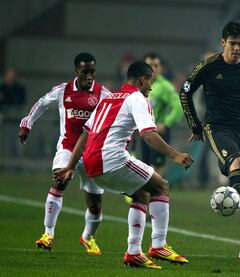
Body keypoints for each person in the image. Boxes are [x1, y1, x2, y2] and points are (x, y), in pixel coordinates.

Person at [55, 61, 193, 269]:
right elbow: (148, 134)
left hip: (92, 163)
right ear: (142, 80)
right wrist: (175, 155)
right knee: (161, 186)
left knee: (141, 193)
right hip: (111, 159)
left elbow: (84, 134)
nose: (151, 88)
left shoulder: (108, 98)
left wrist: (71, 167)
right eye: (151, 82)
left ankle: (134, 252)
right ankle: (158, 245)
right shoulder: (137, 97)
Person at [179, 20, 240, 267]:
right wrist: (195, 125)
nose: (236, 48)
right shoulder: (208, 66)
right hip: (217, 127)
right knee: (237, 163)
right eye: (232, 44)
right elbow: (185, 92)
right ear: (223, 42)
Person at [18, 53, 111, 254]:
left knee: (95, 205)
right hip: (68, 147)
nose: (89, 76)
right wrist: (27, 124)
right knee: (59, 180)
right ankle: (48, 234)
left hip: (92, 152)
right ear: (76, 71)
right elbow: (41, 104)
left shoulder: (103, 94)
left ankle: (87, 237)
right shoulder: (63, 91)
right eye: (85, 72)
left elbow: (118, 116)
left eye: (92, 72)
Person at [141, 52, 183, 175]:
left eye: (156, 65)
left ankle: (158, 194)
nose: (153, 69)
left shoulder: (165, 86)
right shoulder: (140, 85)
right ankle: (149, 194)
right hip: (144, 133)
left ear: (160, 68)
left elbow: (178, 107)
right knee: (145, 168)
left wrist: (166, 124)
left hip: (159, 133)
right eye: (150, 65)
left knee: (156, 170)